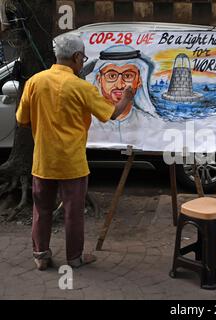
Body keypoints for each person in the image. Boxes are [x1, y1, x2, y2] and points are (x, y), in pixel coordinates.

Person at [15, 34, 134, 270]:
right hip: (72, 163)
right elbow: (111, 113)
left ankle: (40, 255)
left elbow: (22, 119)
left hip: (43, 161)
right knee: (73, 213)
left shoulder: (34, 82)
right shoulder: (81, 87)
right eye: (83, 58)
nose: (83, 62)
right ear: (77, 57)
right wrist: (127, 97)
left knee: (42, 209)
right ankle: (74, 258)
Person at [85, 45, 158, 148]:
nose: (119, 85)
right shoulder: (87, 122)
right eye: (112, 76)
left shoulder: (150, 124)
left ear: (139, 81)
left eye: (128, 76)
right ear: (99, 79)